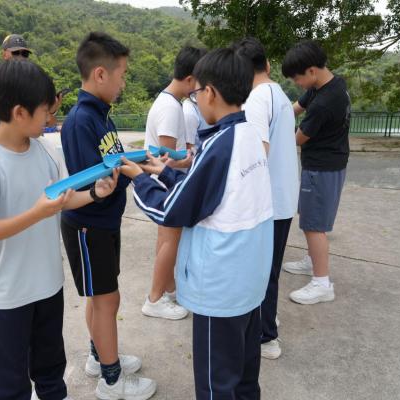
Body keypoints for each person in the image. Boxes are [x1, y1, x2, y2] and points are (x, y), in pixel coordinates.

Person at [0, 59, 119, 400]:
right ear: (20, 113)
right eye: (45, 111)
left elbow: (65, 198)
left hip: (48, 287)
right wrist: (35, 213)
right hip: (6, 295)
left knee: (50, 372)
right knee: (8, 384)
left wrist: (94, 193)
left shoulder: (46, 150)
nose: (49, 118)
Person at [120, 48, 273, 400]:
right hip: (249, 282)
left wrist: (138, 179)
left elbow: (174, 211)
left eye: (196, 92)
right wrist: (163, 172)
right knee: (244, 378)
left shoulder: (219, 144)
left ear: (211, 93)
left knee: (215, 385)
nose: (195, 99)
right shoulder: (249, 134)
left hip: (220, 288)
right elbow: (209, 193)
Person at [60, 32, 156, 400]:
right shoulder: (81, 121)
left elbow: (114, 163)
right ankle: (111, 380)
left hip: (104, 224)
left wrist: (141, 163)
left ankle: (98, 356)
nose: (124, 83)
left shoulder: (100, 117)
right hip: (89, 226)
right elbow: (96, 181)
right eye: (122, 75)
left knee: (102, 298)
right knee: (106, 299)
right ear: (101, 74)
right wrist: (132, 174)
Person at [234, 37, 299, 359]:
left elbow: (258, 153)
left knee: (262, 271)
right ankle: (267, 320)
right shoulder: (279, 94)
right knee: (269, 268)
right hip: (283, 197)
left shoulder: (257, 99)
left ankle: (266, 336)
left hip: (268, 202)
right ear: (268, 64)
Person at [281, 40, 350, 305]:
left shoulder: (324, 102)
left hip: (322, 168)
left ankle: (322, 283)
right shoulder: (330, 84)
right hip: (330, 163)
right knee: (312, 218)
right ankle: (312, 261)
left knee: (313, 225)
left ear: (311, 71)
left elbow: (296, 139)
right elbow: (294, 108)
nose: (297, 83)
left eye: (297, 78)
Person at [141, 46, 206, 320]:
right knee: (170, 241)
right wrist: (190, 160)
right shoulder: (171, 107)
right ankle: (154, 299)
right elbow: (165, 158)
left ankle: (168, 290)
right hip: (165, 185)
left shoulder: (169, 102)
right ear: (190, 79)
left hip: (161, 184)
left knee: (166, 240)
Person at [0, 34, 63, 134]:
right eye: (16, 52)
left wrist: (52, 111)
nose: (20, 57)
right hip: (6, 143)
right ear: (4, 54)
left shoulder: (35, 85)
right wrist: (19, 135)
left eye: (25, 54)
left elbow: (50, 123)